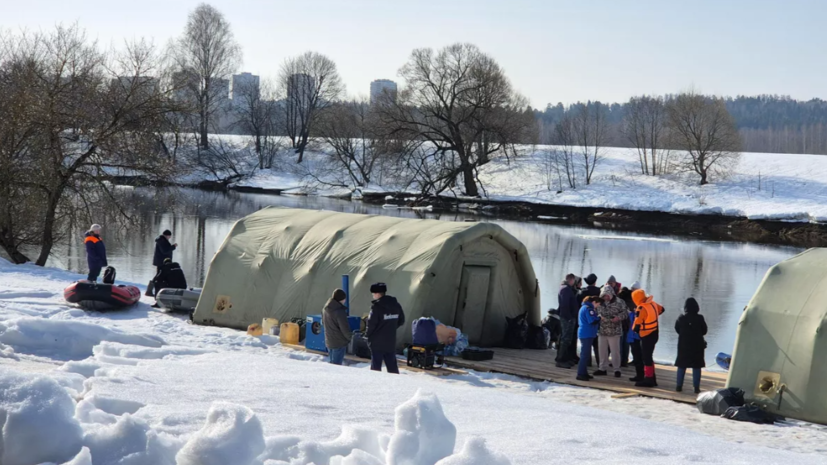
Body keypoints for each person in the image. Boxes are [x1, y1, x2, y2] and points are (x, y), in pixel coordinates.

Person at [365, 283, 405, 374]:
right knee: (392, 367)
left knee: (376, 368)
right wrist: (390, 328)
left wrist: (367, 335)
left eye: (373, 293)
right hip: (390, 341)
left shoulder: (376, 307)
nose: (373, 295)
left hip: (377, 342)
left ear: (378, 294)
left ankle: (375, 385)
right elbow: (401, 320)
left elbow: (371, 324)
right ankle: (396, 385)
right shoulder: (396, 305)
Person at [632, 288, 665, 387]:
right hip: (655, 333)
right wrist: (653, 317)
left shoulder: (641, 308)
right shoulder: (653, 303)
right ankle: (652, 378)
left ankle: (648, 379)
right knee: (649, 356)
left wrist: (635, 328)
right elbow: (662, 309)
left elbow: (636, 326)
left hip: (646, 335)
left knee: (646, 357)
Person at [675, 297, 708, 394]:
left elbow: (677, 329)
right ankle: (696, 387)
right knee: (696, 366)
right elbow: (704, 331)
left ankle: (679, 386)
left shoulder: (681, 318)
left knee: (681, 365)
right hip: (697, 346)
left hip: (683, 346)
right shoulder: (700, 318)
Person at [595, 285, 628, 378]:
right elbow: (595, 311)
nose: (605, 297)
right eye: (604, 295)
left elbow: (625, 313)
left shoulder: (620, 302)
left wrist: (618, 317)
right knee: (602, 351)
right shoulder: (599, 302)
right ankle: (602, 368)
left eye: (607, 295)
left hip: (614, 331)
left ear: (611, 294)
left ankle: (617, 369)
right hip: (602, 330)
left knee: (615, 351)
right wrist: (599, 317)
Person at [555, 273, 580, 368]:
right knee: (566, 339)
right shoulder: (565, 289)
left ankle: (564, 358)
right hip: (567, 318)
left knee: (566, 338)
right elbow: (565, 305)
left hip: (567, 317)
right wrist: (569, 317)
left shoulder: (565, 288)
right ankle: (560, 360)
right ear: (571, 280)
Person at [323, 288, 353, 366]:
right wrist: (351, 338)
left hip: (329, 340)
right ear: (341, 299)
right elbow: (344, 329)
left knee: (332, 364)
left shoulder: (326, 309)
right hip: (339, 342)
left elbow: (323, 323)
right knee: (336, 366)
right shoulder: (340, 312)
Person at [576, 296, 601, 381]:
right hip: (587, 333)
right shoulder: (589, 309)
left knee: (585, 354)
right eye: (597, 304)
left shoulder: (583, 307)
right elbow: (592, 321)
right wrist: (600, 318)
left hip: (585, 333)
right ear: (594, 302)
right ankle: (580, 373)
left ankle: (584, 372)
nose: (597, 306)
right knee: (584, 355)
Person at [578, 273, 601, 367]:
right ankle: (600, 362)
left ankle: (587, 363)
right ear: (595, 282)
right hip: (596, 318)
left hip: (583, 320)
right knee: (596, 343)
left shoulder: (582, 292)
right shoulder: (599, 291)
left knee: (586, 347)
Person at [617, 281, 641, 367]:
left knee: (622, 342)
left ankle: (621, 360)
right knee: (629, 343)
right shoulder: (636, 299)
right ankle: (626, 360)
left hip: (624, 322)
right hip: (632, 323)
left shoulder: (623, 299)